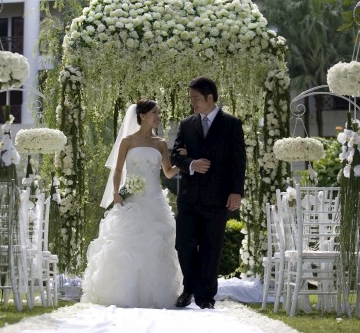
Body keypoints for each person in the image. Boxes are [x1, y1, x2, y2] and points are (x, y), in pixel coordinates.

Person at [81, 98, 183, 308]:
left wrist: (183, 161)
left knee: (155, 245)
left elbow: (168, 173)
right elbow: (118, 170)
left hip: (154, 201)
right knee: (127, 246)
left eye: (159, 113)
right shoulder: (127, 141)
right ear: (142, 116)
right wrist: (117, 193)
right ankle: (121, 294)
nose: (158, 117)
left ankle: (154, 295)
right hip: (132, 200)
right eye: (154, 113)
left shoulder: (161, 143)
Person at [171, 76, 246, 309]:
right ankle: (189, 288)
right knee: (183, 245)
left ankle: (206, 297)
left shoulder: (231, 124)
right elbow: (175, 156)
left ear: (209, 97)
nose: (192, 102)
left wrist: (236, 192)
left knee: (211, 247)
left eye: (195, 98)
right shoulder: (186, 124)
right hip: (188, 198)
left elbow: (238, 161)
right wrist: (192, 163)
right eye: (191, 98)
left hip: (218, 197)